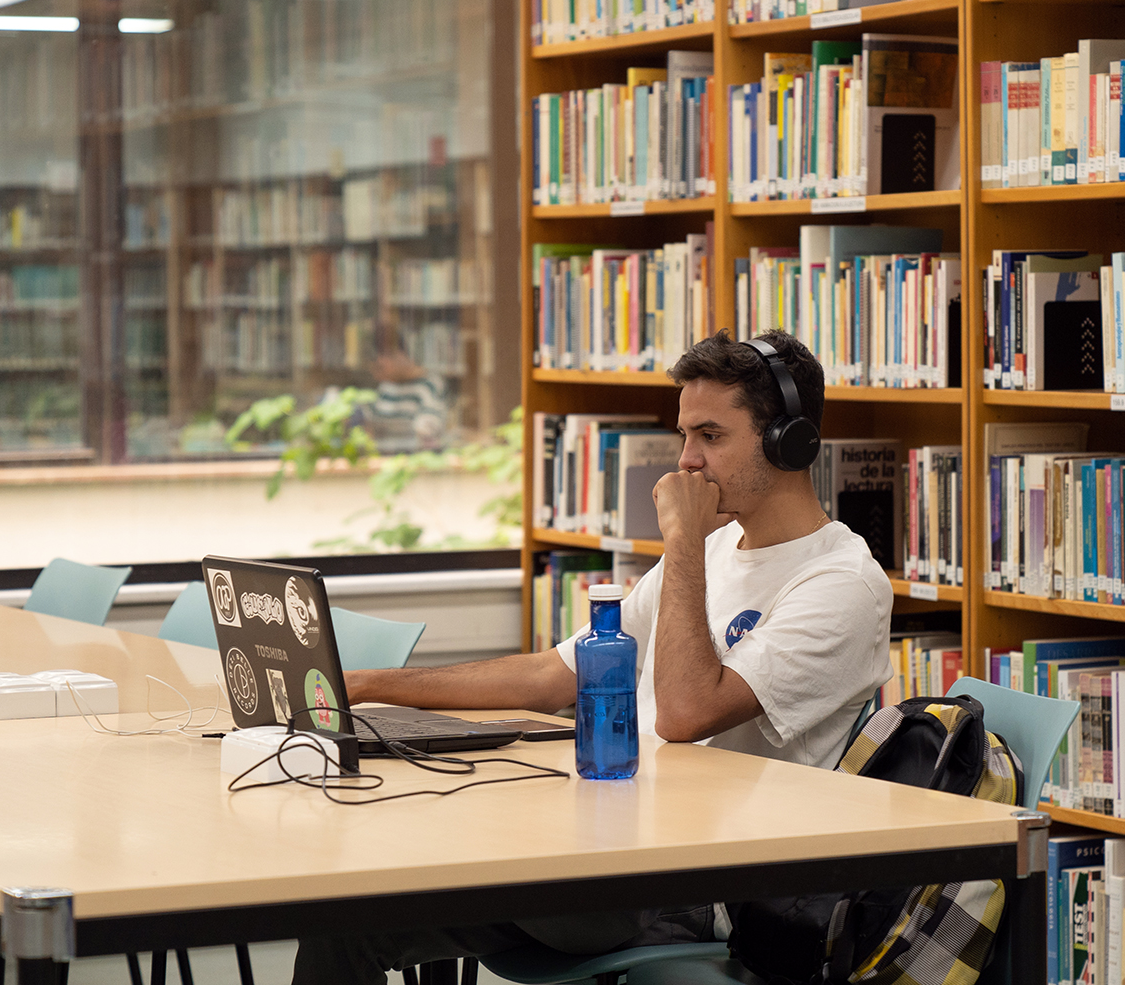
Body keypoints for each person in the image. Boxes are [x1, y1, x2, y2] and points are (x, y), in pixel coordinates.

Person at [290, 329, 895, 985]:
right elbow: (554, 674)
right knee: (350, 903)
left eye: (711, 437)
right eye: (684, 436)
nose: (687, 462)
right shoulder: (715, 551)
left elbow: (688, 713)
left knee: (379, 894)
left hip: (693, 884)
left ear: (790, 440)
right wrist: (371, 685)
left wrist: (684, 541)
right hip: (610, 841)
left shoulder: (842, 584)